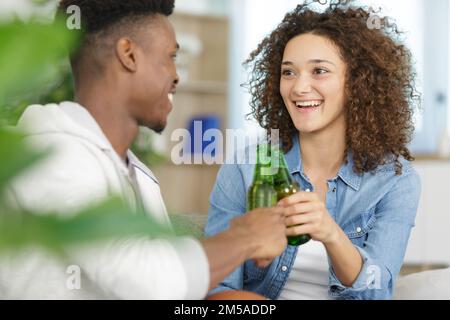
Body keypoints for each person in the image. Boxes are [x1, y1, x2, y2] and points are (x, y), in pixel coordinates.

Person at [0, 0, 287, 299]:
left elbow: (171, 285)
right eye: (171, 56)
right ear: (129, 55)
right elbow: (149, 284)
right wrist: (245, 237)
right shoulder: (50, 151)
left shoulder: (136, 173)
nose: (176, 76)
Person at [205, 1, 421, 300]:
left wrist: (330, 233)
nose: (298, 88)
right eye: (289, 72)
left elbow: (377, 291)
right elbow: (216, 285)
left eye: (319, 71)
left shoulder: (394, 180)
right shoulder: (246, 167)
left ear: (357, 84)